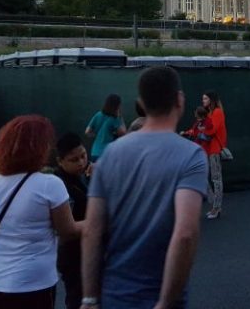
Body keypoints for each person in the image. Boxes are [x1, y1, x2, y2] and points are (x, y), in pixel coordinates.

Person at [80, 66, 208, 309]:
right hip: (161, 297)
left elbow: (91, 230)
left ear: (141, 103)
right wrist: (165, 302)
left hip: (114, 294)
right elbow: (185, 233)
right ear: (179, 100)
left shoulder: (110, 155)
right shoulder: (191, 156)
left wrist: (89, 298)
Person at [0, 115, 82, 309]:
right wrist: (96, 221)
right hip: (36, 284)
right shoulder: (50, 185)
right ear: (38, 149)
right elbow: (68, 231)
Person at [54, 133, 91, 309]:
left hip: (88, 249)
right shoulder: (59, 185)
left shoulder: (83, 176)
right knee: (77, 298)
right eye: (74, 159)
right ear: (60, 161)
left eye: (83, 155)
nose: (81, 162)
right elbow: (66, 230)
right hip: (72, 253)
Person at [201, 90, 227, 219]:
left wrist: (202, 129)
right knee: (205, 177)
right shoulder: (209, 113)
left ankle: (216, 208)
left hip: (214, 150)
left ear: (211, 100)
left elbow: (211, 131)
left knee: (216, 179)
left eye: (205, 99)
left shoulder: (217, 112)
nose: (203, 101)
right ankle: (214, 205)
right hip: (207, 149)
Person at [85, 94, 126, 162]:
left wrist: (98, 135)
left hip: (94, 152)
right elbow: (123, 133)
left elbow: (87, 132)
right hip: (107, 154)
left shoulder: (98, 114)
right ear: (117, 106)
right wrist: (120, 118)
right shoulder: (114, 119)